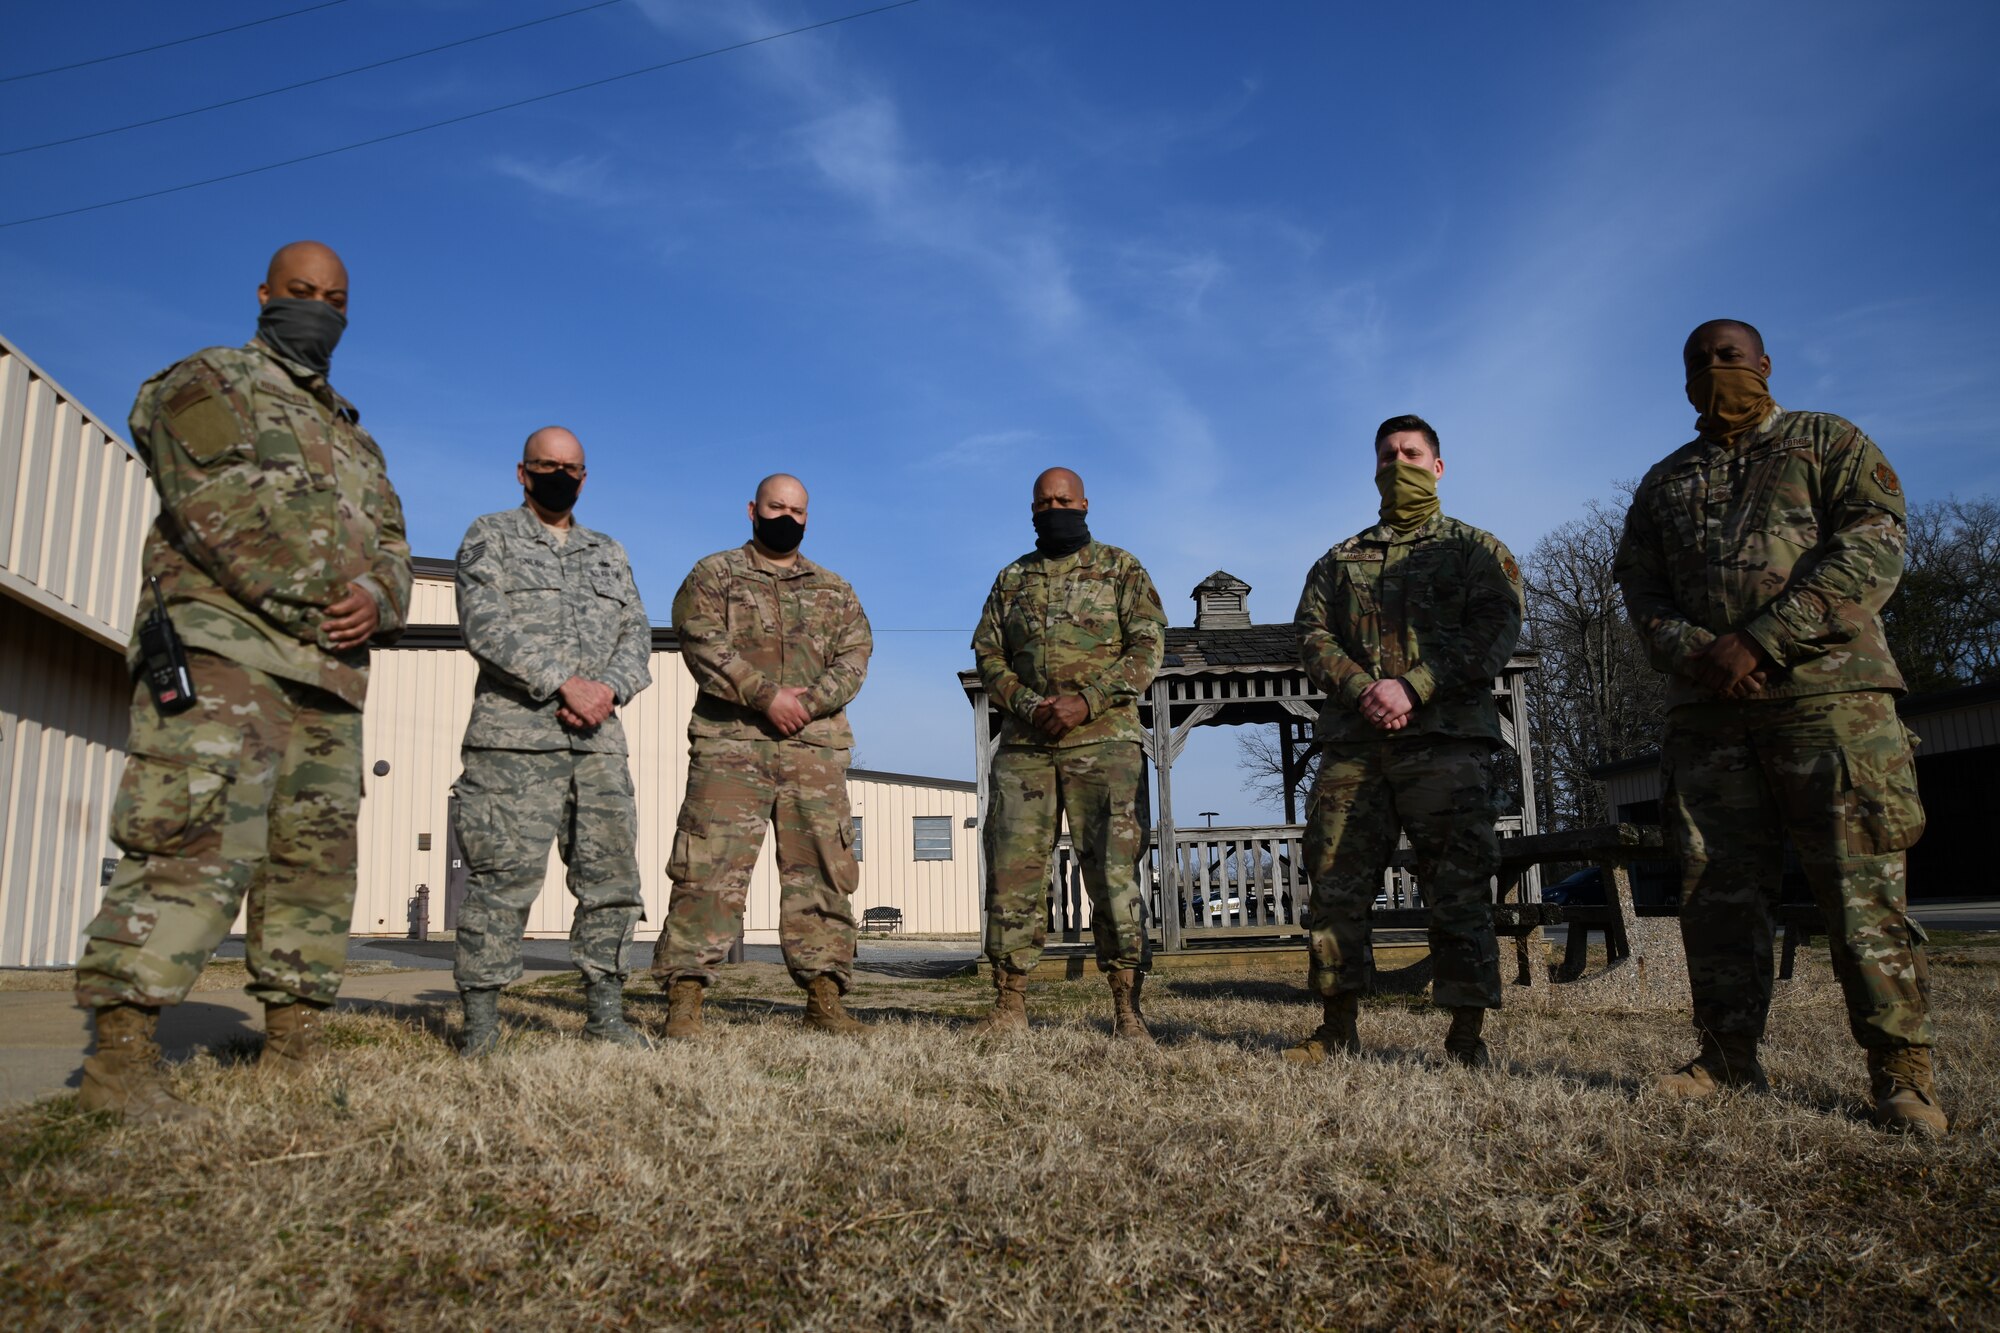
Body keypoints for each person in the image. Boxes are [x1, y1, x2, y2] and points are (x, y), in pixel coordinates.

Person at [73, 240, 412, 1121]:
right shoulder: (210, 381)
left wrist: (376, 597)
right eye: (302, 292)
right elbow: (212, 508)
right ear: (265, 294)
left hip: (329, 679)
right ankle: (121, 1058)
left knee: (314, 864)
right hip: (226, 654)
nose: (318, 308)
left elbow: (395, 551)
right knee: (193, 841)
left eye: (334, 297)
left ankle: (293, 1046)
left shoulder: (357, 442)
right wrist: (317, 599)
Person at [1614, 319, 1944, 1135]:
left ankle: (1902, 1071)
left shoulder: (1827, 441)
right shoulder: (1663, 484)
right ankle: (1727, 1054)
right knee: (1716, 893)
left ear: (1763, 363)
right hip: (1710, 715)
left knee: (1859, 890)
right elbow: (1641, 594)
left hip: (1832, 702)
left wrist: (1762, 637)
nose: (1715, 371)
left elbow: (1874, 546)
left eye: (1729, 356)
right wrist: (1704, 654)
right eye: (1698, 362)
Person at [1287, 415, 1522, 1068]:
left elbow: (1494, 631)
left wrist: (1414, 686)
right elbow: (1311, 635)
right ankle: (1336, 1027)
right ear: (1374, 469)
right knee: (1335, 885)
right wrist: (1365, 687)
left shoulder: (1479, 552)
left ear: (1438, 467)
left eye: (1412, 454)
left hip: (1445, 745)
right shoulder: (1340, 561)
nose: (1399, 464)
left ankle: (1466, 1037)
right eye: (1388, 455)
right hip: (1355, 749)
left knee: (1459, 888)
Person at [449, 427, 654, 1054]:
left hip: (598, 748)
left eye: (571, 467)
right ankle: (482, 1027)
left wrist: (608, 691)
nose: (559, 475)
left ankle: (606, 1017)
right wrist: (563, 684)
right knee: (500, 883)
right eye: (546, 465)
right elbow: (486, 626)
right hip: (514, 744)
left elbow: (637, 636)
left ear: (585, 477)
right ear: (522, 472)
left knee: (611, 883)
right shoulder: (491, 536)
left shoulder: (608, 552)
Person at [654, 474, 873, 1038]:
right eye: (777, 506)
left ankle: (825, 998)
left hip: (813, 753)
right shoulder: (714, 575)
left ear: (808, 518)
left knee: (823, 872)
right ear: (752, 509)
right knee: (708, 869)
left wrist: (809, 702)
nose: (787, 517)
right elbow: (700, 639)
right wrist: (763, 695)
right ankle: (685, 1000)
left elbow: (855, 656)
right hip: (732, 747)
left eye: (797, 510)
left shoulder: (836, 589)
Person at [969, 467, 1167, 1041]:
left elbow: (1148, 644)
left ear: (1085, 504)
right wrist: (1030, 706)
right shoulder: (1012, 579)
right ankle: (1009, 1003)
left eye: (1064, 500)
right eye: (1044, 501)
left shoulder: (1121, 569)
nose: (1054, 508)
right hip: (1027, 749)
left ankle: (1128, 1008)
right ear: (1032, 509)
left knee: (1114, 872)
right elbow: (988, 653)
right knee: (1013, 873)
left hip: (1105, 743)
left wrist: (1088, 701)